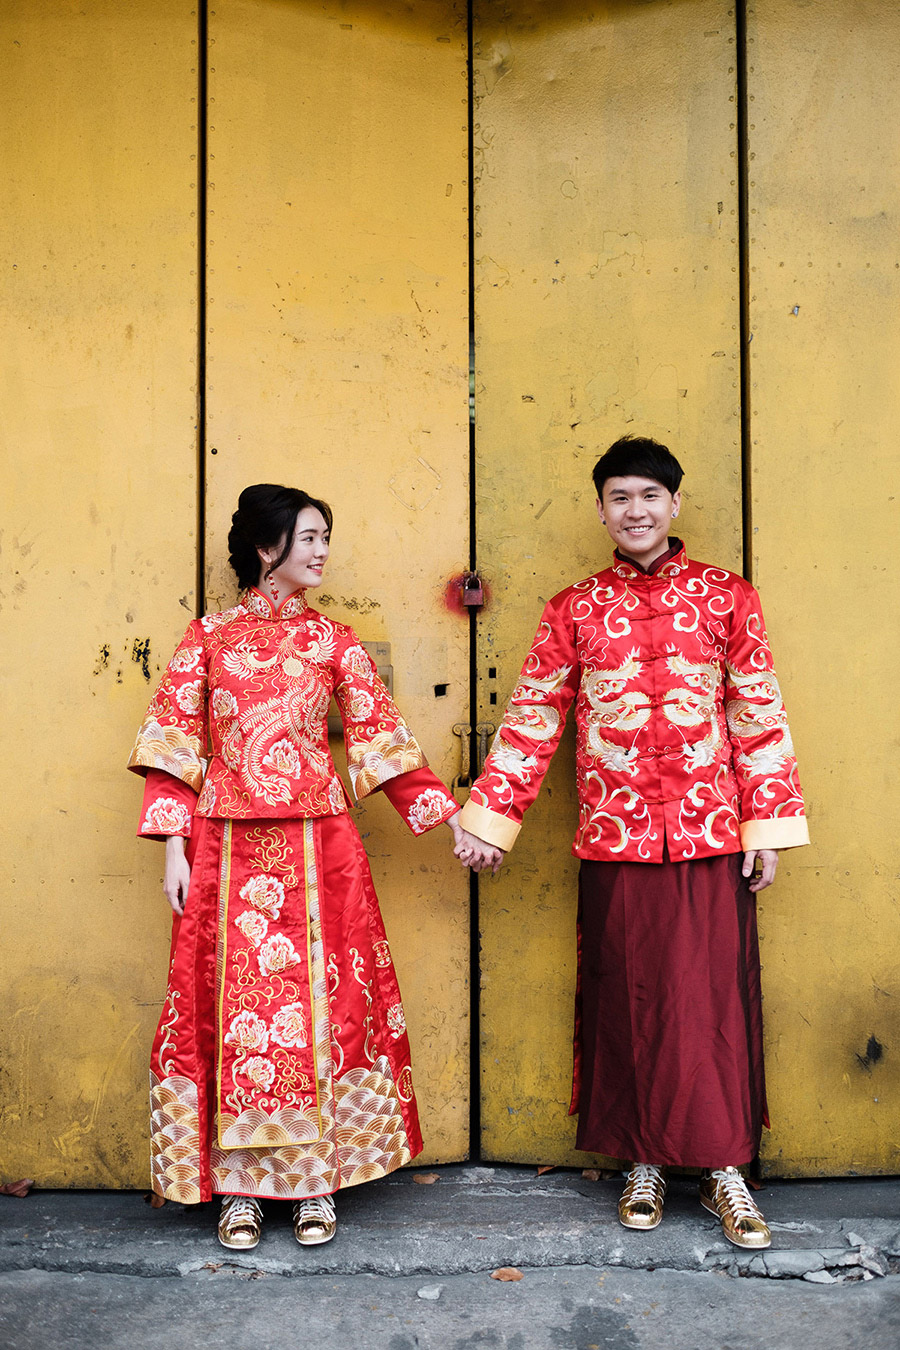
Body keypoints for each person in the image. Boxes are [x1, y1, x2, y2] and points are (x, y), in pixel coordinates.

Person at [458, 436, 809, 1250]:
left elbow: (756, 713)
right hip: (614, 837)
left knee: (711, 1003)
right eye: (620, 498)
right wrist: (489, 820)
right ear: (601, 510)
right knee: (629, 1001)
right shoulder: (573, 608)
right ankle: (643, 1159)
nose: (636, 512)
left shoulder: (728, 598)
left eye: (650, 496)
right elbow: (535, 715)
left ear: (675, 504)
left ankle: (724, 1169)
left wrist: (769, 826)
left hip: (710, 834)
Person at [129, 484, 489, 1250]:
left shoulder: (334, 642)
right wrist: (172, 846)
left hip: (321, 848)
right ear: (268, 550)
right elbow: (173, 748)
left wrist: (454, 821)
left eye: (327, 537)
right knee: (233, 1021)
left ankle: (315, 1181)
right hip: (223, 849)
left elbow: (382, 741)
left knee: (325, 1015)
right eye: (311, 537)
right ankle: (239, 1190)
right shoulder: (209, 640)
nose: (323, 550)